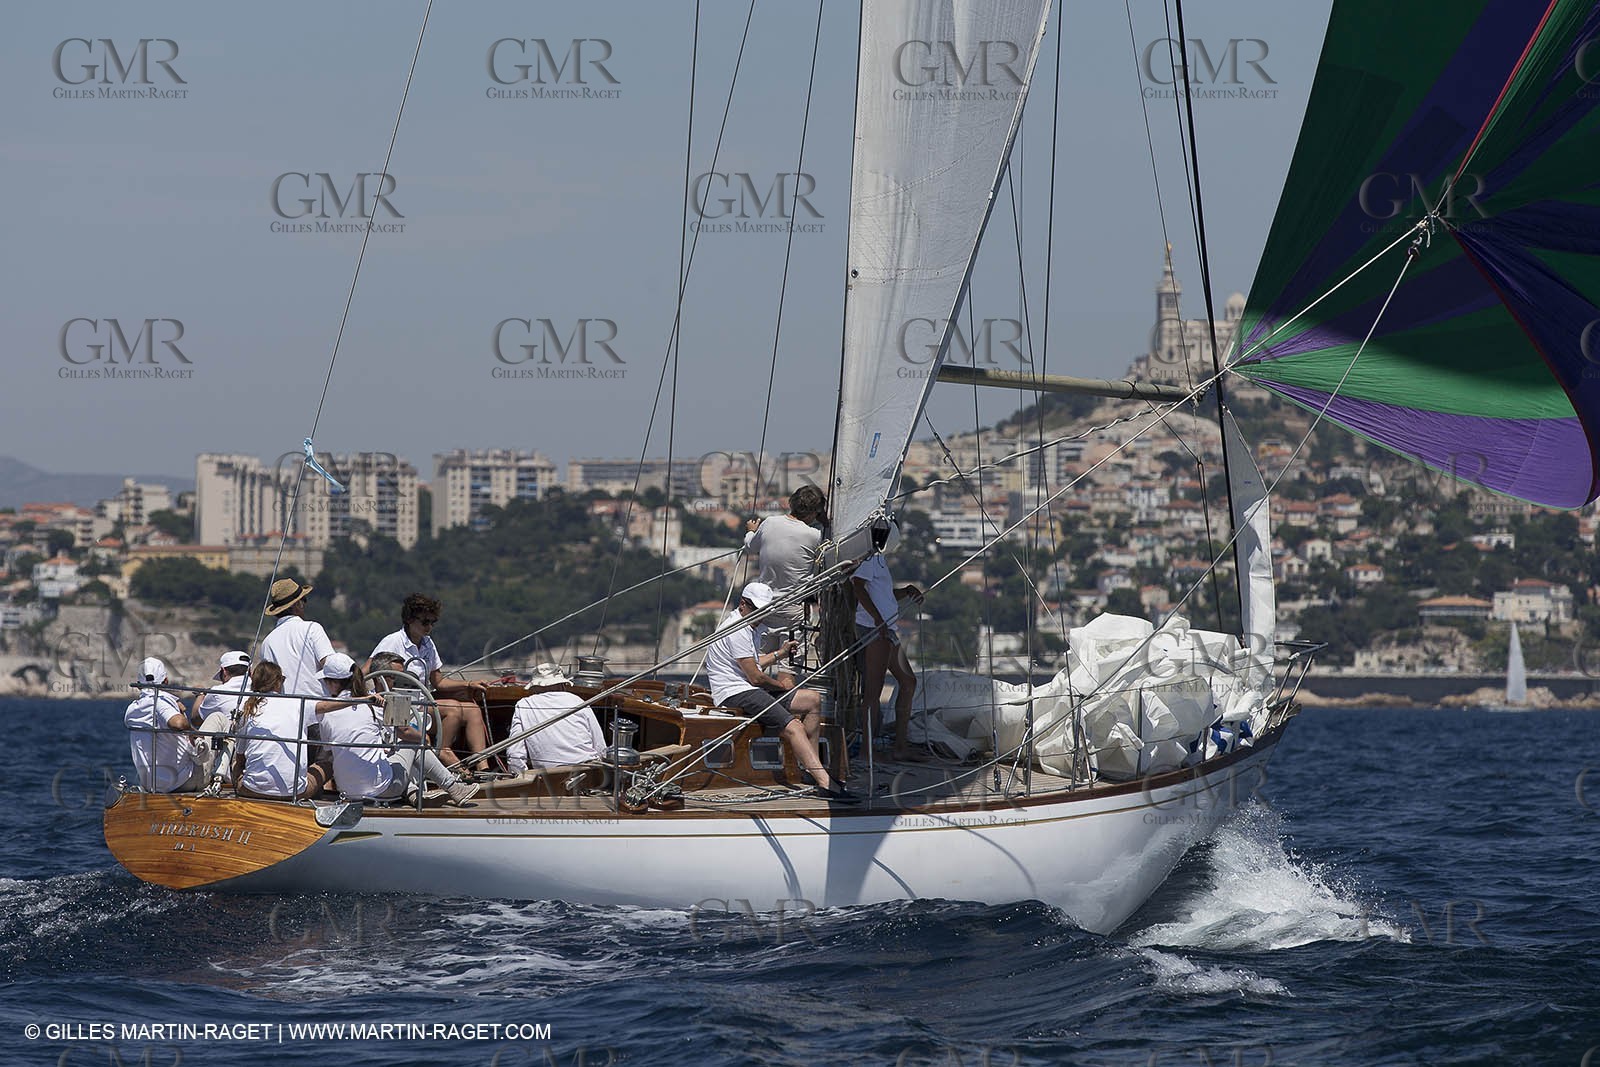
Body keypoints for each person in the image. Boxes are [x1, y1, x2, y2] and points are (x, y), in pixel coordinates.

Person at [704, 581, 851, 800]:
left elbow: (752, 663)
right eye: (757, 610)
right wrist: (779, 686)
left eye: (765, 611)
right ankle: (825, 783)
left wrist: (780, 654)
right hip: (734, 692)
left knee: (812, 700)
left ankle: (810, 769)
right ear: (743, 604)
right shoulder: (737, 630)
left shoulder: (748, 625)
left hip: (744, 686)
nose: (761, 615)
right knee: (794, 726)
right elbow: (755, 677)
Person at [313, 653, 478, 806]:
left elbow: (329, 751)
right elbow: (405, 732)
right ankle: (453, 787)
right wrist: (424, 737)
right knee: (413, 744)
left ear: (334, 683)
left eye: (325, 681)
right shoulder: (376, 704)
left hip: (347, 792)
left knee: (390, 762)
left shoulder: (326, 714)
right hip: (380, 790)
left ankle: (413, 793)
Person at [368, 593, 491, 773]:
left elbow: (438, 682)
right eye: (425, 622)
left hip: (419, 704)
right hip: (398, 705)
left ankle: (483, 768)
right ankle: (442, 751)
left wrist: (469, 684)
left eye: (433, 622)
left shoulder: (427, 644)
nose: (430, 627)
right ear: (410, 619)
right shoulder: (392, 642)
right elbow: (368, 670)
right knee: (454, 709)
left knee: (472, 711)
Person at [853, 537, 926, 763]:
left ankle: (899, 747)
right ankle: (867, 752)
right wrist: (877, 619)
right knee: (873, 692)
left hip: (885, 629)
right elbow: (857, 586)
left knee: (908, 681)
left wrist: (904, 592)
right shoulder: (869, 558)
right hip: (876, 629)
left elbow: (880, 594)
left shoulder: (878, 559)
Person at [231, 660, 331, 800]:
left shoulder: (247, 709)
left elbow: (240, 758)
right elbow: (327, 706)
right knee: (327, 763)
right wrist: (363, 699)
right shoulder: (298, 704)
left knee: (235, 763)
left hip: (252, 790)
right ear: (277, 682)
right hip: (294, 793)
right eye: (282, 679)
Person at [742, 486, 827, 637]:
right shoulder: (815, 536)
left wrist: (750, 531)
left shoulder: (769, 523)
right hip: (793, 607)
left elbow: (750, 547)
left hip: (765, 604)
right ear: (814, 512)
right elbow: (828, 557)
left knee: (762, 658)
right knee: (790, 658)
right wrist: (825, 522)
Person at [505, 663, 607, 773]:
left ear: (534, 686)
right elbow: (600, 747)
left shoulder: (524, 704)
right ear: (562, 684)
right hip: (587, 772)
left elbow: (515, 755)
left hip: (549, 779)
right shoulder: (577, 701)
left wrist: (522, 780)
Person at [124, 657, 204, 792]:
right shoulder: (160, 703)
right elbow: (178, 723)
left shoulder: (131, 710)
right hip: (181, 782)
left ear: (138, 685)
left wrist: (174, 705)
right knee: (218, 721)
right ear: (166, 681)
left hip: (151, 784)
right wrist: (192, 730)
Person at [259, 578, 334, 707]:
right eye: (304, 600)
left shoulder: (267, 642)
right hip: (317, 710)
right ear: (298, 604)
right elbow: (331, 665)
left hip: (286, 714)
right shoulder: (312, 629)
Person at [189, 650, 250, 725]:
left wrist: (200, 694)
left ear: (224, 671)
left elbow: (196, 720)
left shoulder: (218, 692)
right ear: (250, 671)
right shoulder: (261, 689)